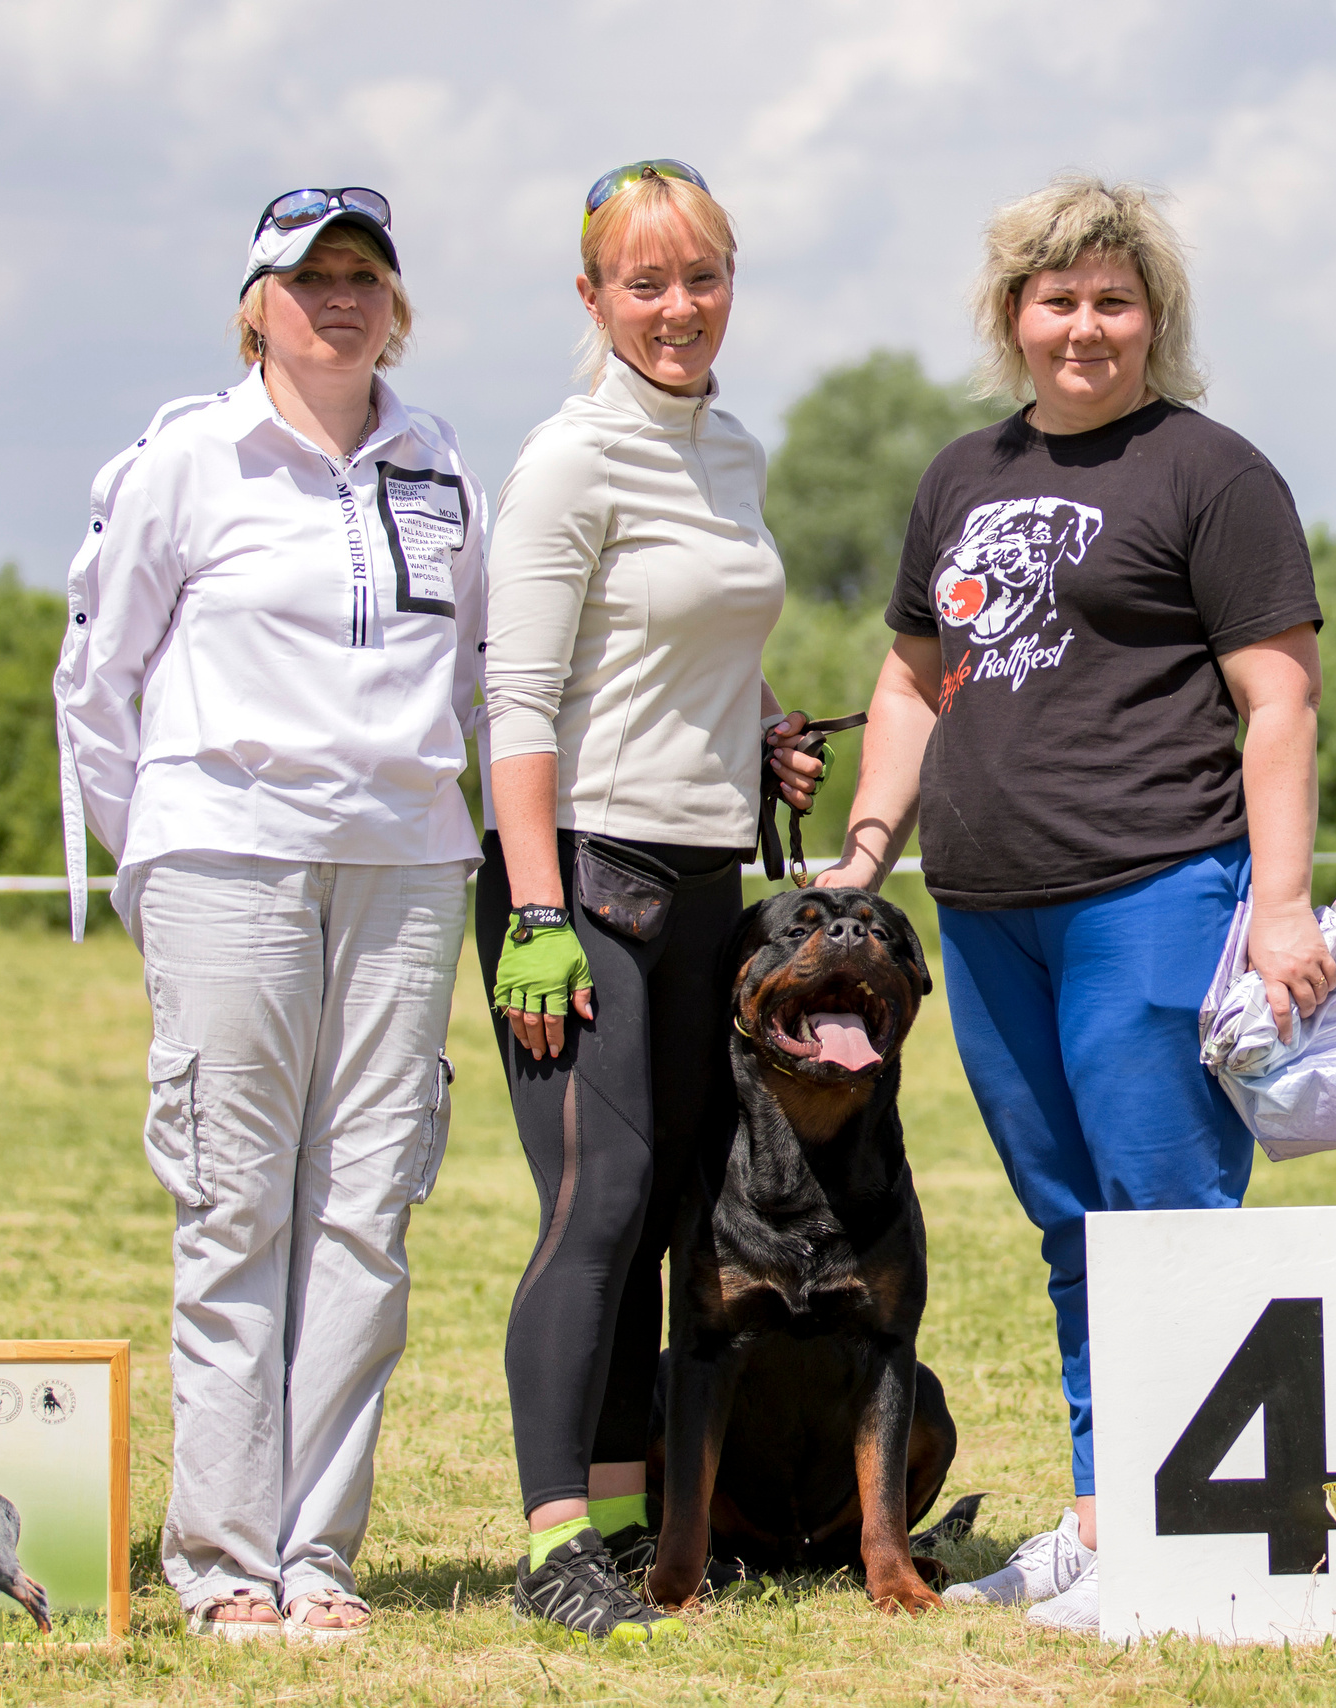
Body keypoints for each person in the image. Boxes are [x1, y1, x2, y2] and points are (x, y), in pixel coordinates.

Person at [818, 174, 1336, 1633]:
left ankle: (1196, 1539)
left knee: (1164, 1216)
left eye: (1115, 299)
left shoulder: (1214, 474)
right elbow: (917, 680)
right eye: (1058, 299)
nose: (1086, 326)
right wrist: (865, 851)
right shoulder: (959, 475)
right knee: (1070, 1228)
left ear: (1153, 319)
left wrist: (1281, 905)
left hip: (1156, 892)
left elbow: (1279, 702)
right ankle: (1112, 1518)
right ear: (1013, 317)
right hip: (983, 914)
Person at [55, 187, 484, 1644]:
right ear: (256, 304)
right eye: (308, 279)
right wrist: (160, 853)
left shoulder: (441, 468)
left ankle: (320, 1556)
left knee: (368, 1211)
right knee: (237, 1205)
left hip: (411, 864)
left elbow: (481, 683)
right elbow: (96, 687)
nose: (337, 299)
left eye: (362, 275)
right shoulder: (184, 459)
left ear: (395, 301)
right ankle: (228, 1555)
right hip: (222, 857)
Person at [478, 159, 821, 1642]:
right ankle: (555, 1536)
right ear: (594, 298)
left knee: (682, 1206)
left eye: (702, 277)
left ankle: (632, 1522)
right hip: (582, 886)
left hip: (706, 877)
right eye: (645, 282)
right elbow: (519, 702)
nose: (678, 308)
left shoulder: (731, 450)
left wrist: (757, 733)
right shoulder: (568, 459)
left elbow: (682, 653)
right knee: (595, 1201)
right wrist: (539, 914)